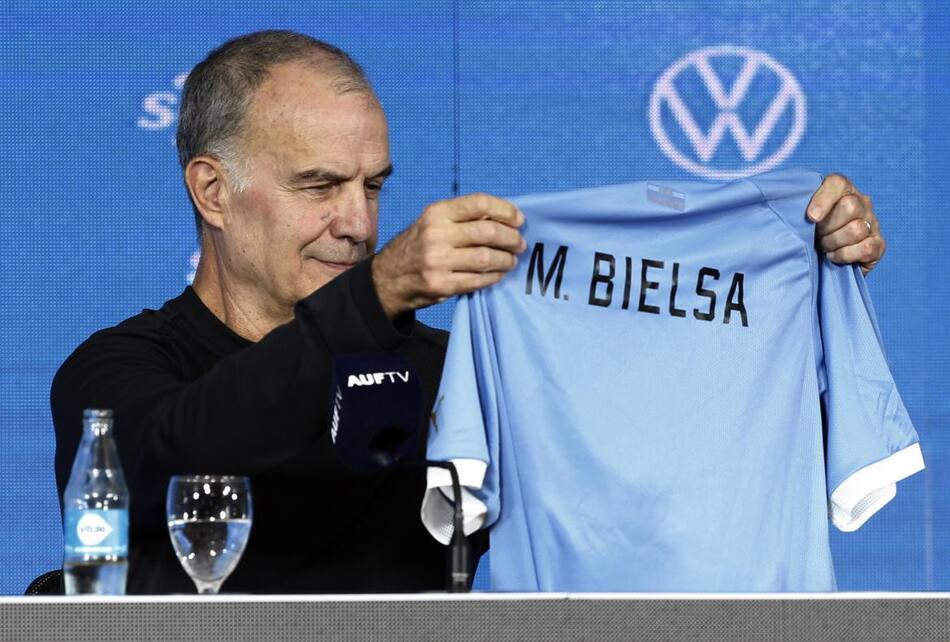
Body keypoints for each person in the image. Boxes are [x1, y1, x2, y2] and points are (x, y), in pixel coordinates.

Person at [51, 30, 887, 594]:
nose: (358, 223)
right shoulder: (119, 375)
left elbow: (658, 473)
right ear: (212, 191)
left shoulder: (449, 379)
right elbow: (186, 442)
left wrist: (802, 296)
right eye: (319, 187)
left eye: (372, 186)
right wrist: (375, 295)